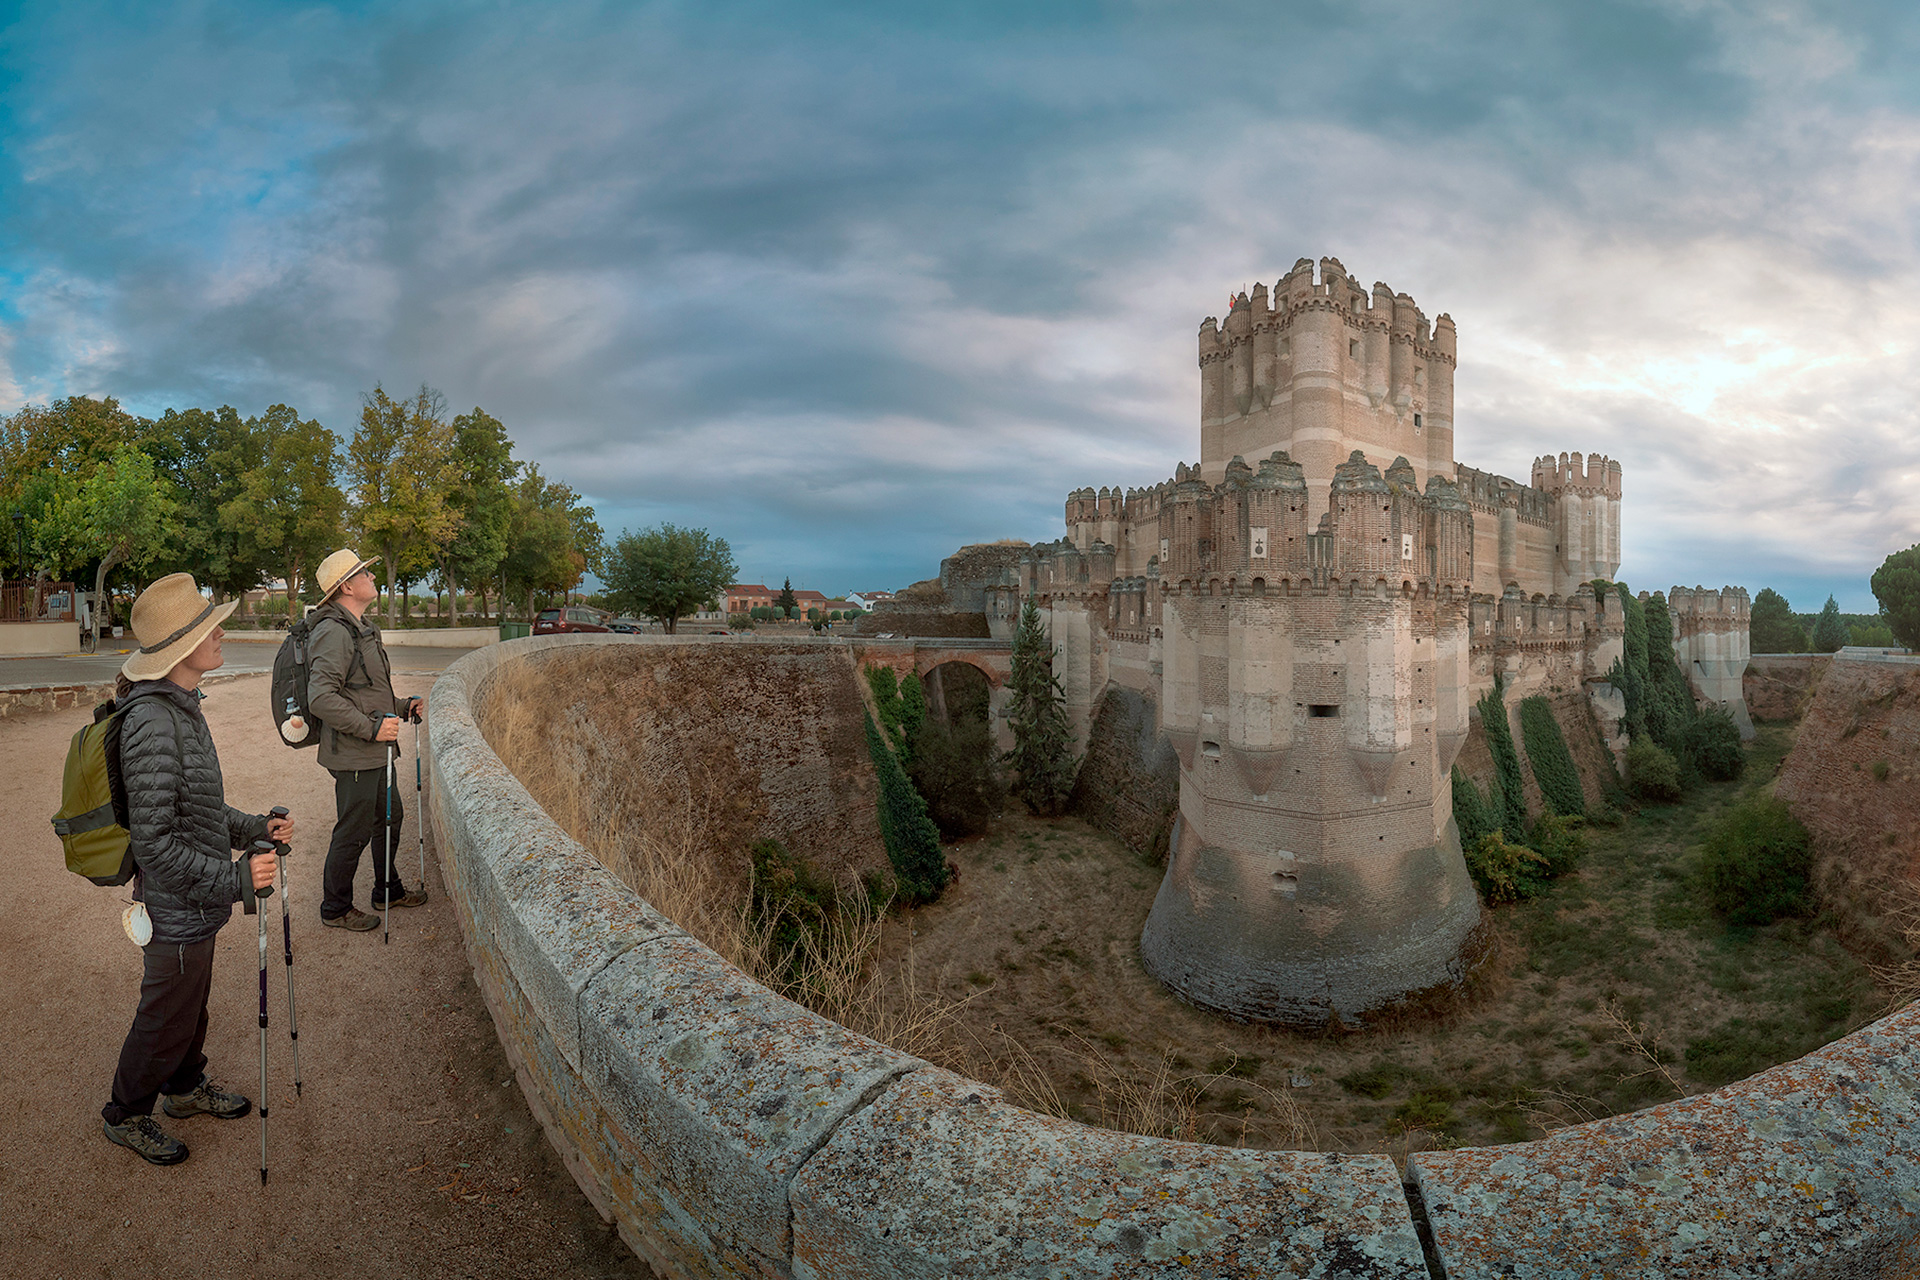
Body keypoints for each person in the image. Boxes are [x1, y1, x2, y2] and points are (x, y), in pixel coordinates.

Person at [101, 573, 294, 1166]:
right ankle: (125, 1113)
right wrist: (237, 881)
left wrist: (254, 827)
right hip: (176, 904)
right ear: (182, 647)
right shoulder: (154, 722)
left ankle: (183, 1091)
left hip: (196, 901)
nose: (222, 632)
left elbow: (202, 810)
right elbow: (155, 844)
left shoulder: (181, 708)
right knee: (164, 1014)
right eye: (211, 625)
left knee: (191, 1004)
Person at [305, 549, 428, 931]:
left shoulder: (363, 628)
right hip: (355, 754)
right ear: (346, 586)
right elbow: (320, 697)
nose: (373, 578)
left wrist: (403, 706)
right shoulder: (333, 632)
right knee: (354, 831)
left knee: (390, 818)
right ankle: (335, 907)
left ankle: (387, 890)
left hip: (376, 751)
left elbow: (367, 693)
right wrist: (371, 728)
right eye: (364, 574)